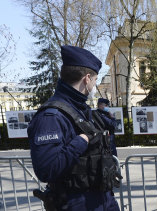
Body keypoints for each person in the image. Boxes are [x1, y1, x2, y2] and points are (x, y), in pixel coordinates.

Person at [27, 45, 120, 211]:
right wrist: (80, 141)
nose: (94, 85)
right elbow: (46, 170)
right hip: (76, 203)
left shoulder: (82, 111)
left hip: (102, 199)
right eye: (95, 80)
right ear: (87, 78)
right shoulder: (51, 116)